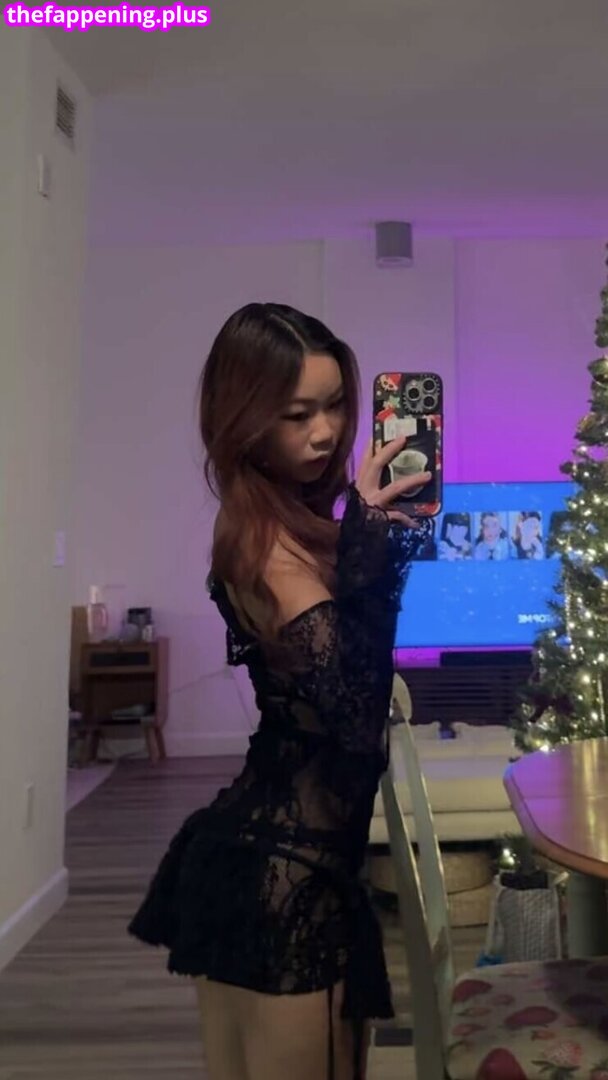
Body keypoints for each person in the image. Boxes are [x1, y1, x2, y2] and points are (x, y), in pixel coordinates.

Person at [128, 302, 431, 1080]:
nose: (325, 432)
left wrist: (368, 540)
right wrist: (373, 557)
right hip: (287, 875)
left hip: (275, 858)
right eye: (298, 414)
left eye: (336, 405)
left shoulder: (291, 523)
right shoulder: (267, 544)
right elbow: (357, 717)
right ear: (245, 419)